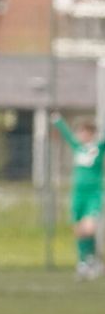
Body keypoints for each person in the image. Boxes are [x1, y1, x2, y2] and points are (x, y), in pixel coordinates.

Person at [52, 112, 105, 280]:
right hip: (78, 195)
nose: (81, 135)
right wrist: (58, 121)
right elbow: (67, 135)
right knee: (78, 229)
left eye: (85, 132)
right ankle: (84, 261)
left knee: (89, 228)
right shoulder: (78, 147)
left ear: (91, 133)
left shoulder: (98, 149)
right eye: (80, 132)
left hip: (94, 193)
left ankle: (90, 260)